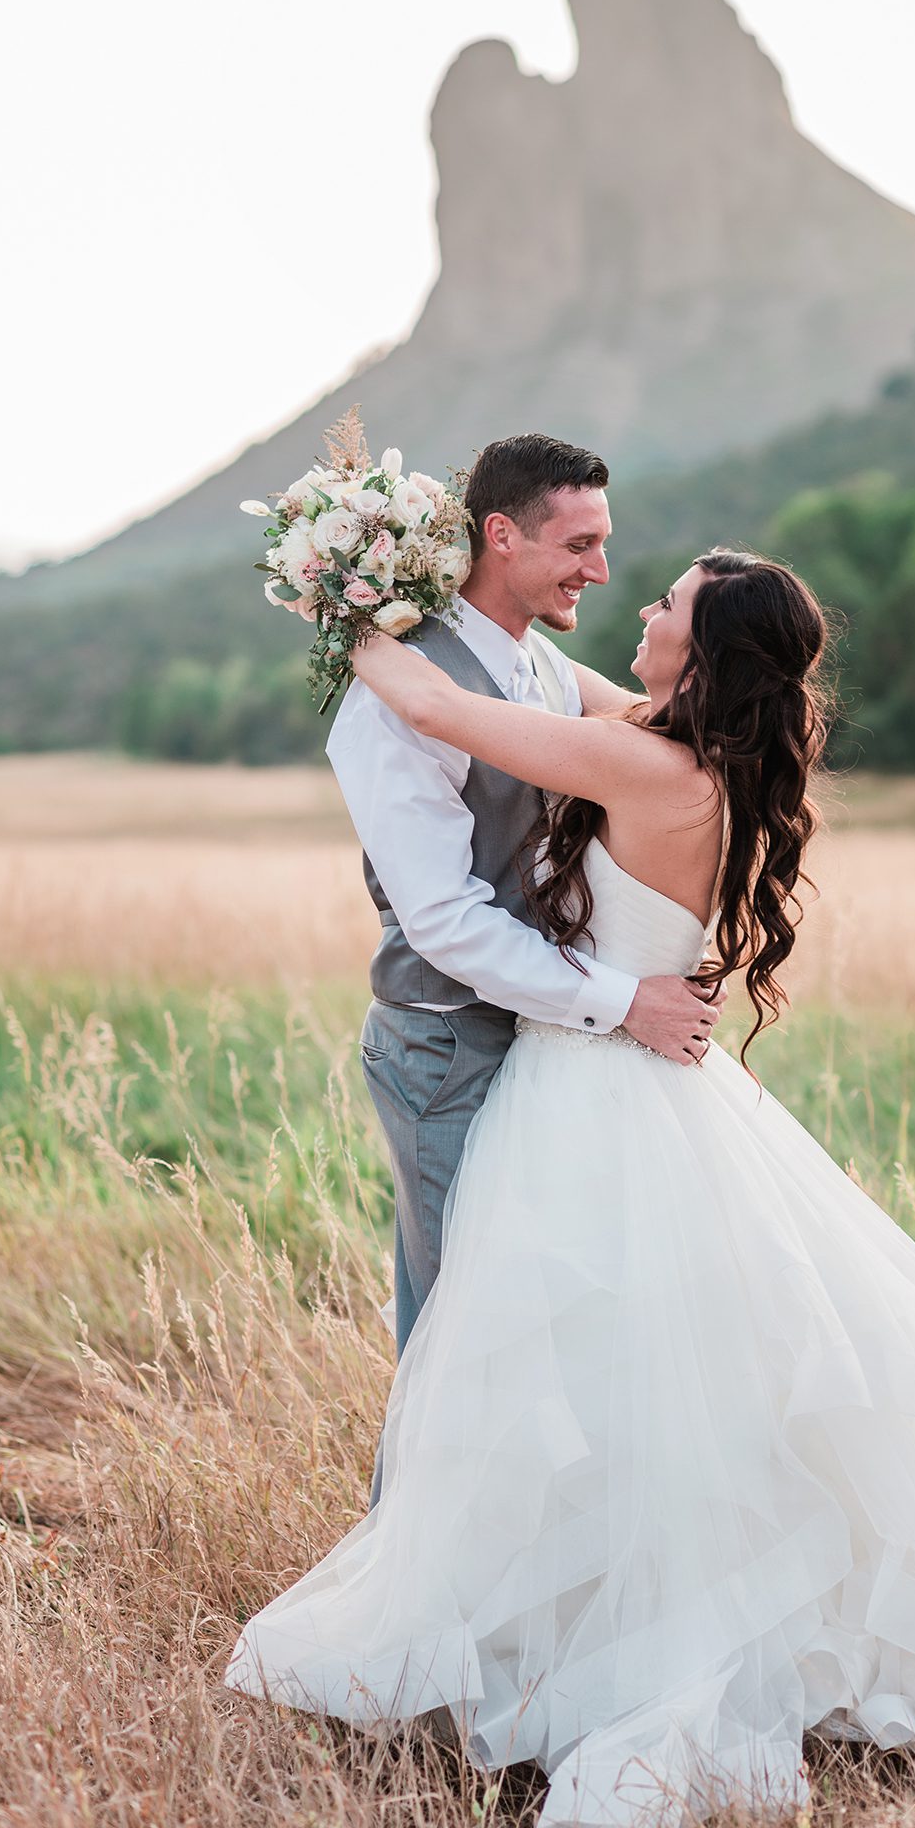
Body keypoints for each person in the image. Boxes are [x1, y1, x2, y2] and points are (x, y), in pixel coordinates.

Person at [227, 548, 915, 1828]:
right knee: (644, 1377)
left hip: (598, 1095)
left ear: (699, 656)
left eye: (666, 607)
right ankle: (558, 1620)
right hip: (638, 1088)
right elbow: (544, 674)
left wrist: (346, 598)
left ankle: (602, 1642)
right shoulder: (671, 742)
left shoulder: (648, 766)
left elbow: (443, 710)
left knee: (593, 1372)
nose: (639, 609)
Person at [320, 432, 723, 1505]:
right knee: (470, 1332)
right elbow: (446, 924)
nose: (600, 570)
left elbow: (662, 742)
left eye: (605, 544)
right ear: (500, 535)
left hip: (550, 1048)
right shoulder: (395, 703)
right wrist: (623, 999)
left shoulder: (539, 666)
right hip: (448, 1043)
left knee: (520, 1324)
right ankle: (426, 1583)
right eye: (578, 544)